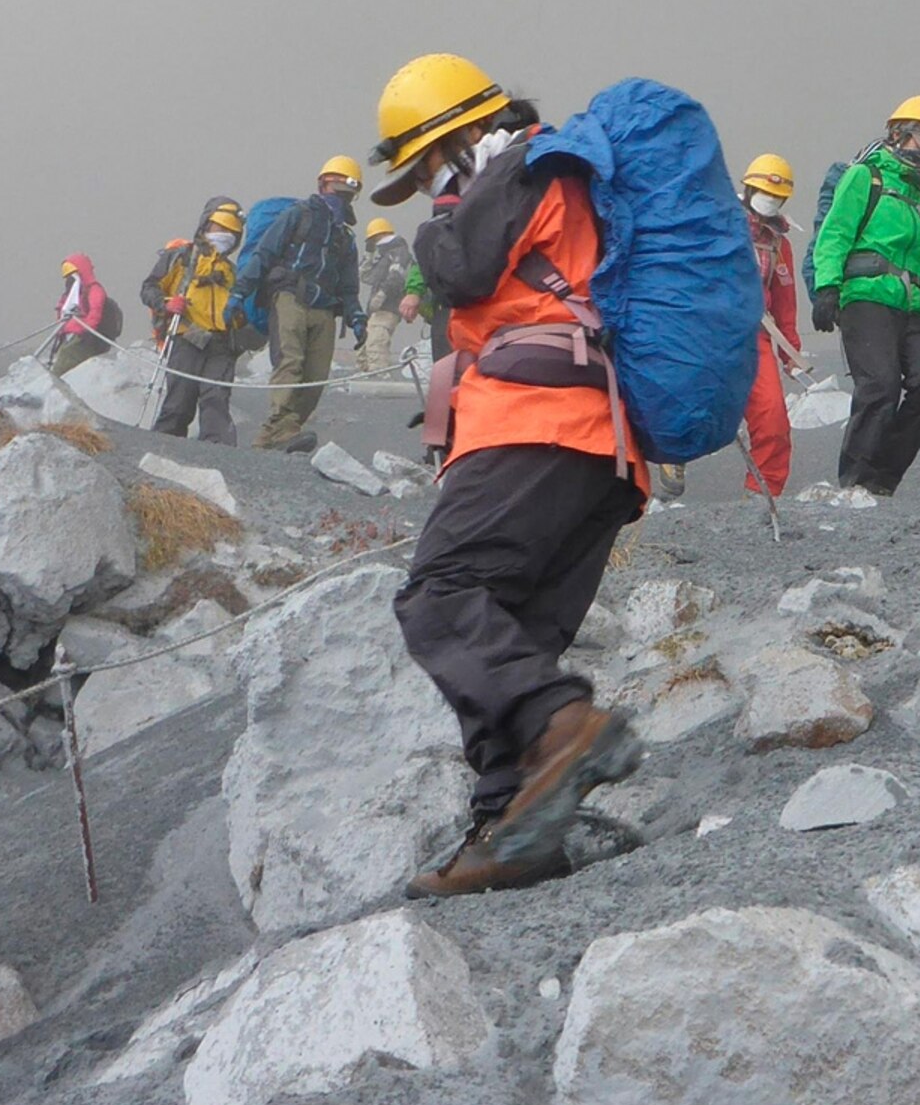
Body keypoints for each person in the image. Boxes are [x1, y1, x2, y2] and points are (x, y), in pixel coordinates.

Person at [376, 53, 645, 898]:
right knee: (513, 631)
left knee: (442, 595)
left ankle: (567, 730)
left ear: (453, 137)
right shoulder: (548, 173)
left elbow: (459, 271)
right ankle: (517, 824)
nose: (428, 188)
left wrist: (442, 219)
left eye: (423, 168)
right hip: (597, 446)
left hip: (537, 421)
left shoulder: (518, 164)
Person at [809, 98, 920, 500]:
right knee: (880, 386)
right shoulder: (866, 176)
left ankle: (881, 480)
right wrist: (827, 287)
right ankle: (855, 481)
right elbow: (836, 232)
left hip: (912, 307)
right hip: (866, 298)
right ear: (899, 133)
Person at [246, 156, 369, 453]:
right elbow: (265, 253)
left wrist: (355, 316)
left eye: (347, 186)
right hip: (289, 297)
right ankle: (284, 427)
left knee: (315, 377)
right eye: (336, 183)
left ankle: (269, 438)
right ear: (322, 183)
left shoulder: (345, 237)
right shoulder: (297, 215)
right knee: (290, 362)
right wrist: (240, 292)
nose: (340, 191)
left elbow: (349, 284)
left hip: (325, 309)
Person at [142, 200, 250, 443]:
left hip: (223, 345)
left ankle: (217, 455)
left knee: (216, 401)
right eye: (219, 229)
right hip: (186, 338)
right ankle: (163, 448)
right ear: (205, 226)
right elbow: (149, 288)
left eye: (232, 233)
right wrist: (166, 303)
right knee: (179, 402)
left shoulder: (233, 272)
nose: (225, 236)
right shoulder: (181, 258)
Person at [737, 154, 802, 501]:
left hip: (756, 337)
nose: (769, 199)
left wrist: (790, 351)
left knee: (773, 421)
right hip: (708, 335)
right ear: (746, 188)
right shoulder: (715, 225)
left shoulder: (778, 243)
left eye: (777, 195)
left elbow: (785, 301)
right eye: (763, 191)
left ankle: (762, 495)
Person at [48, 254, 120, 373]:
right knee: (63, 353)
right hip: (72, 335)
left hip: (88, 338)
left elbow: (95, 314)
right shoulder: (73, 292)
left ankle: (56, 378)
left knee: (67, 356)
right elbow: (62, 308)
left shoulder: (94, 290)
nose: (70, 278)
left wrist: (83, 331)